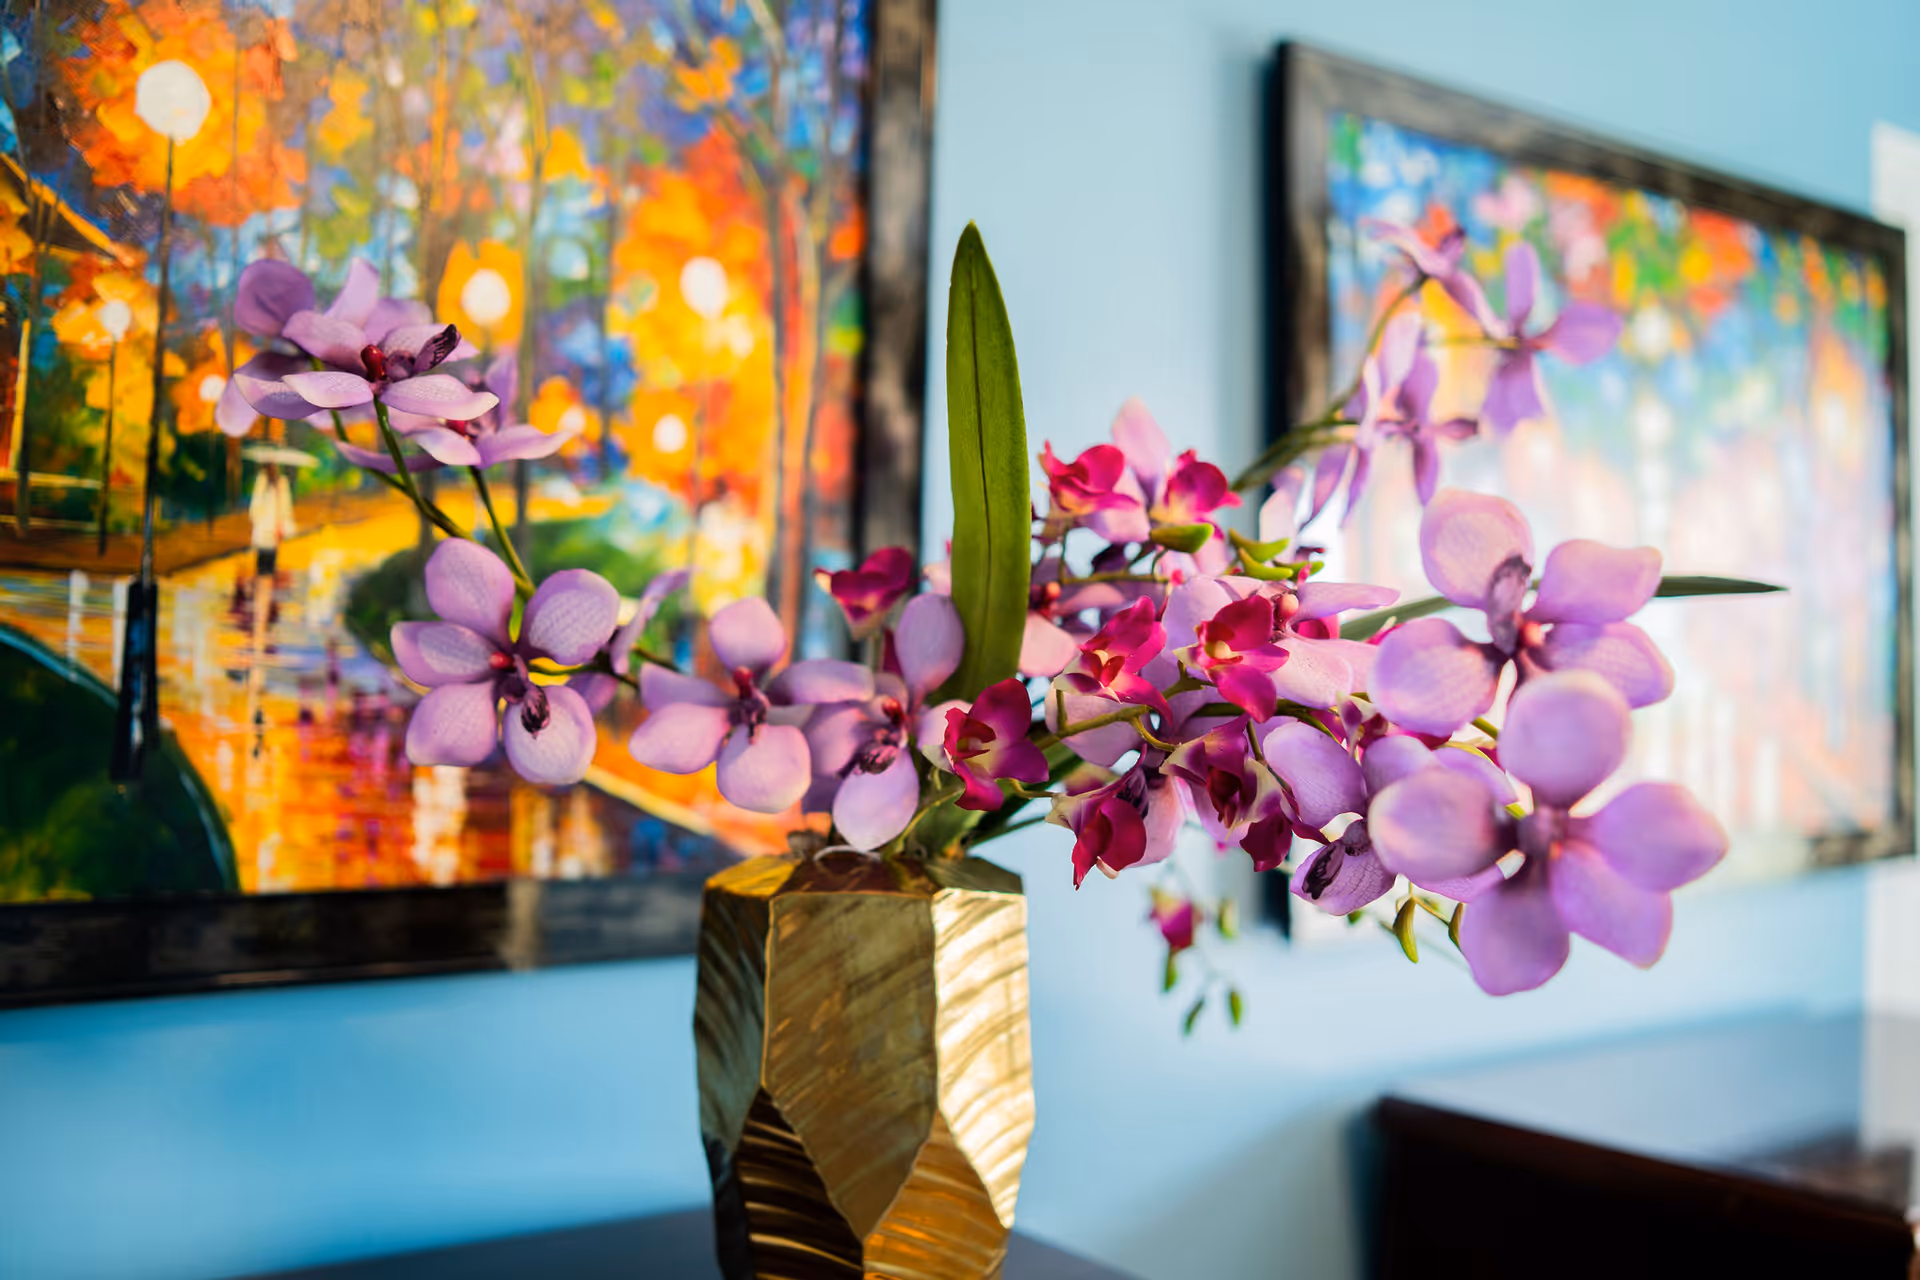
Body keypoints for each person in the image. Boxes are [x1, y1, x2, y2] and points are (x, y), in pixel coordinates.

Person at [249, 461, 296, 578]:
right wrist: (256, 519)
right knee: (261, 560)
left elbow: (286, 505)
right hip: (263, 526)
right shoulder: (261, 481)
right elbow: (256, 503)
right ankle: (262, 580)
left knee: (271, 560)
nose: (272, 468)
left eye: (274, 466)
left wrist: (284, 523)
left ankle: (268, 579)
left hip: (275, 526)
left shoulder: (281, 482)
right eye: (270, 465)